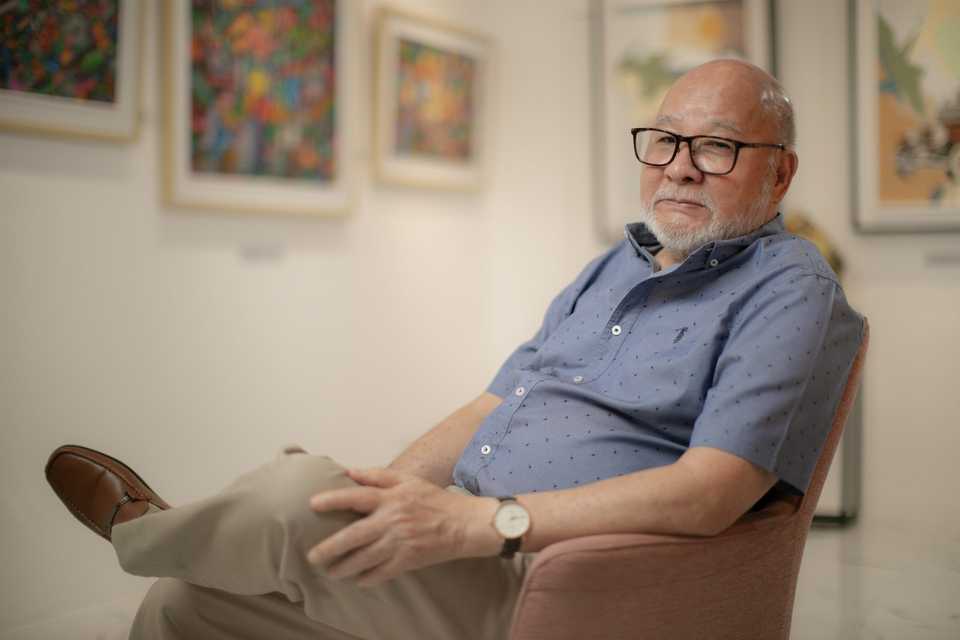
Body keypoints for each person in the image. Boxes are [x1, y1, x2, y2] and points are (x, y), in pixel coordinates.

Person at [46, 59, 864, 640]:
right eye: (663, 141)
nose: (679, 169)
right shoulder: (615, 265)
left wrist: (484, 524)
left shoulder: (791, 288)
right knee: (186, 606)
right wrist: (385, 499)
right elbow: (494, 402)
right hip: (468, 542)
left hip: (560, 575)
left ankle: (143, 531)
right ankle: (210, 537)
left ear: (780, 174)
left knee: (293, 491)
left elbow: (711, 493)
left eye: (716, 146)